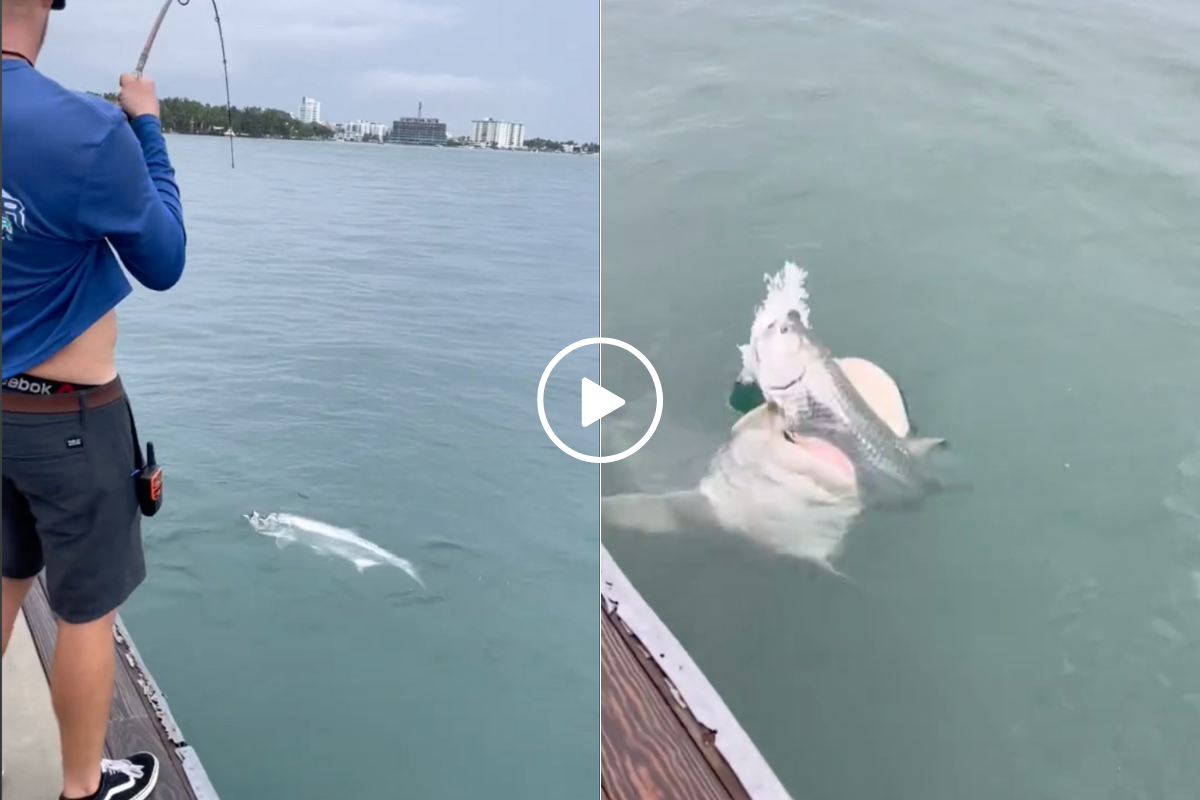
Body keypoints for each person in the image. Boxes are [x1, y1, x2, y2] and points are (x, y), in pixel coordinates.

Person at [2, 1, 187, 799]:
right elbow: (165, 258)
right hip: (67, 423)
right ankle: (84, 788)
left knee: (4, 579)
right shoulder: (85, 130)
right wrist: (144, 126)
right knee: (85, 612)